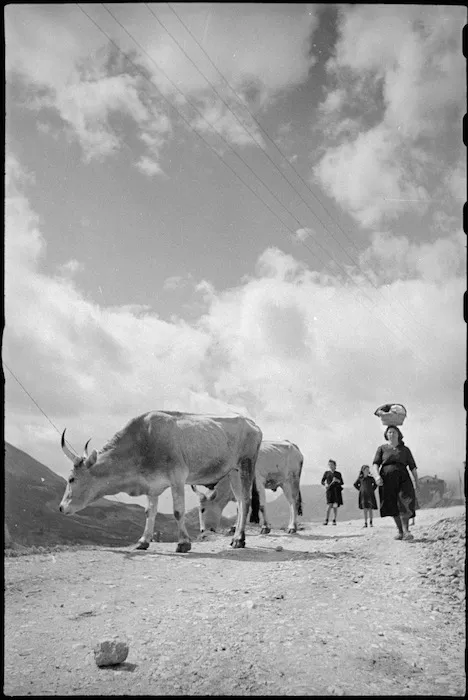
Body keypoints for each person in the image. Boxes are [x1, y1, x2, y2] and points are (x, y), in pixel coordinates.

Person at [371, 425, 420, 541]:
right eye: (389, 432)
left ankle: (407, 531)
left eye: (393, 432)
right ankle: (400, 531)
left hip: (403, 478)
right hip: (386, 479)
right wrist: (377, 476)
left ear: (398, 434)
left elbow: (412, 467)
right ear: (386, 435)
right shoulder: (382, 448)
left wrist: (416, 481)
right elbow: (375, 464)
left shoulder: (405, 449)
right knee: (392, 504)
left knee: (405, 501)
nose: (391, 434)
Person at [321, 459, 344, 525]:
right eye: (329, 465)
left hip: (336, 491)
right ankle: (326, 520)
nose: (330, 466)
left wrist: (337, 480)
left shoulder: (338, 473)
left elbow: (342, 482)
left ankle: (334, 520)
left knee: (335, 506)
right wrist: (325, 484)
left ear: (335, 465)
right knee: (329, 505)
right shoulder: (326, 473)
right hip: (329, 491)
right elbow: (322, 481)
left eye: (332, 465)